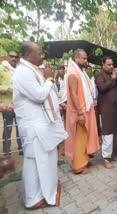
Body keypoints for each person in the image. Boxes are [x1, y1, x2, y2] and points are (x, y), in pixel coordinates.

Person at [11, 42, 68, 209]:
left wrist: (49, 80)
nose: (42, 56)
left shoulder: (33, 70)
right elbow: (38, 95)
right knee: (34, 162)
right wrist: (49, 79)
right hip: (32, 126)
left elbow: (50, 93)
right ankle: (32, 199)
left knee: (43, 161)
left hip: (41, 125)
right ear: (28, 55)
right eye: (39, 53)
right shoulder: (22, 72)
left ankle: (42, 193)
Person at [64, 49, 100, 174]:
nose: (86, 60)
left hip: (87, 109)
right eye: (83, 58)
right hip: (80, 111)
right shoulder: (73, 73)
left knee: (86, 137)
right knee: (79, 138)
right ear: (76, 58)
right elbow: (73, 94)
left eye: (86, 58)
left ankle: (84, 160)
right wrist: (80, 113)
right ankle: (78, 166)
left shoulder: (82, 72)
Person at [95, 56, 117, 169]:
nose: (112, 66)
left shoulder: (114, 75)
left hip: (115, 108)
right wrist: (112, 78)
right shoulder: (99, 74)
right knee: (107, 132)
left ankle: (114, 154)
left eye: (112, 64)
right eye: (109, 64)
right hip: (106, 108)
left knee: (116, 131)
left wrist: (116, 78)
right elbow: (101, 88)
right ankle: (106, 159)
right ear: (103, 64)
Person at [0, 50, 23, 155]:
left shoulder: (20, 70)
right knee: (8, 127)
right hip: (7, 104)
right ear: (7, 57)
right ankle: (6, 150)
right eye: (11, 56)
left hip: (20, 104)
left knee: (20, 127)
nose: (14, 58)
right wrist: (7, 88)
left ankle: (21, 148)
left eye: (16, 57)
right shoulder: (1, 69)